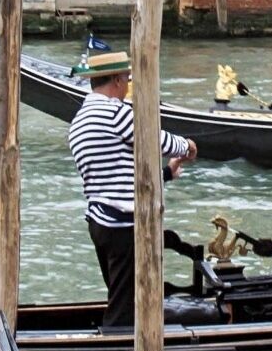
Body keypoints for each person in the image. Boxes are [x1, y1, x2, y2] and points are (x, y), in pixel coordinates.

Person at [66, 49, 195, 330]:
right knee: (127, 304)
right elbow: (154, 139)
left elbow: (117, 173)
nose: (127, 85)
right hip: (123, 224)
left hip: (99, 222)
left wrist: (167, 174)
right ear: (115, 80)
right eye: (125, 78)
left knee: (119, 294)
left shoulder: (79, 122)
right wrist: (187, 146)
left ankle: (122, 343)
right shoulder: (114, 112)